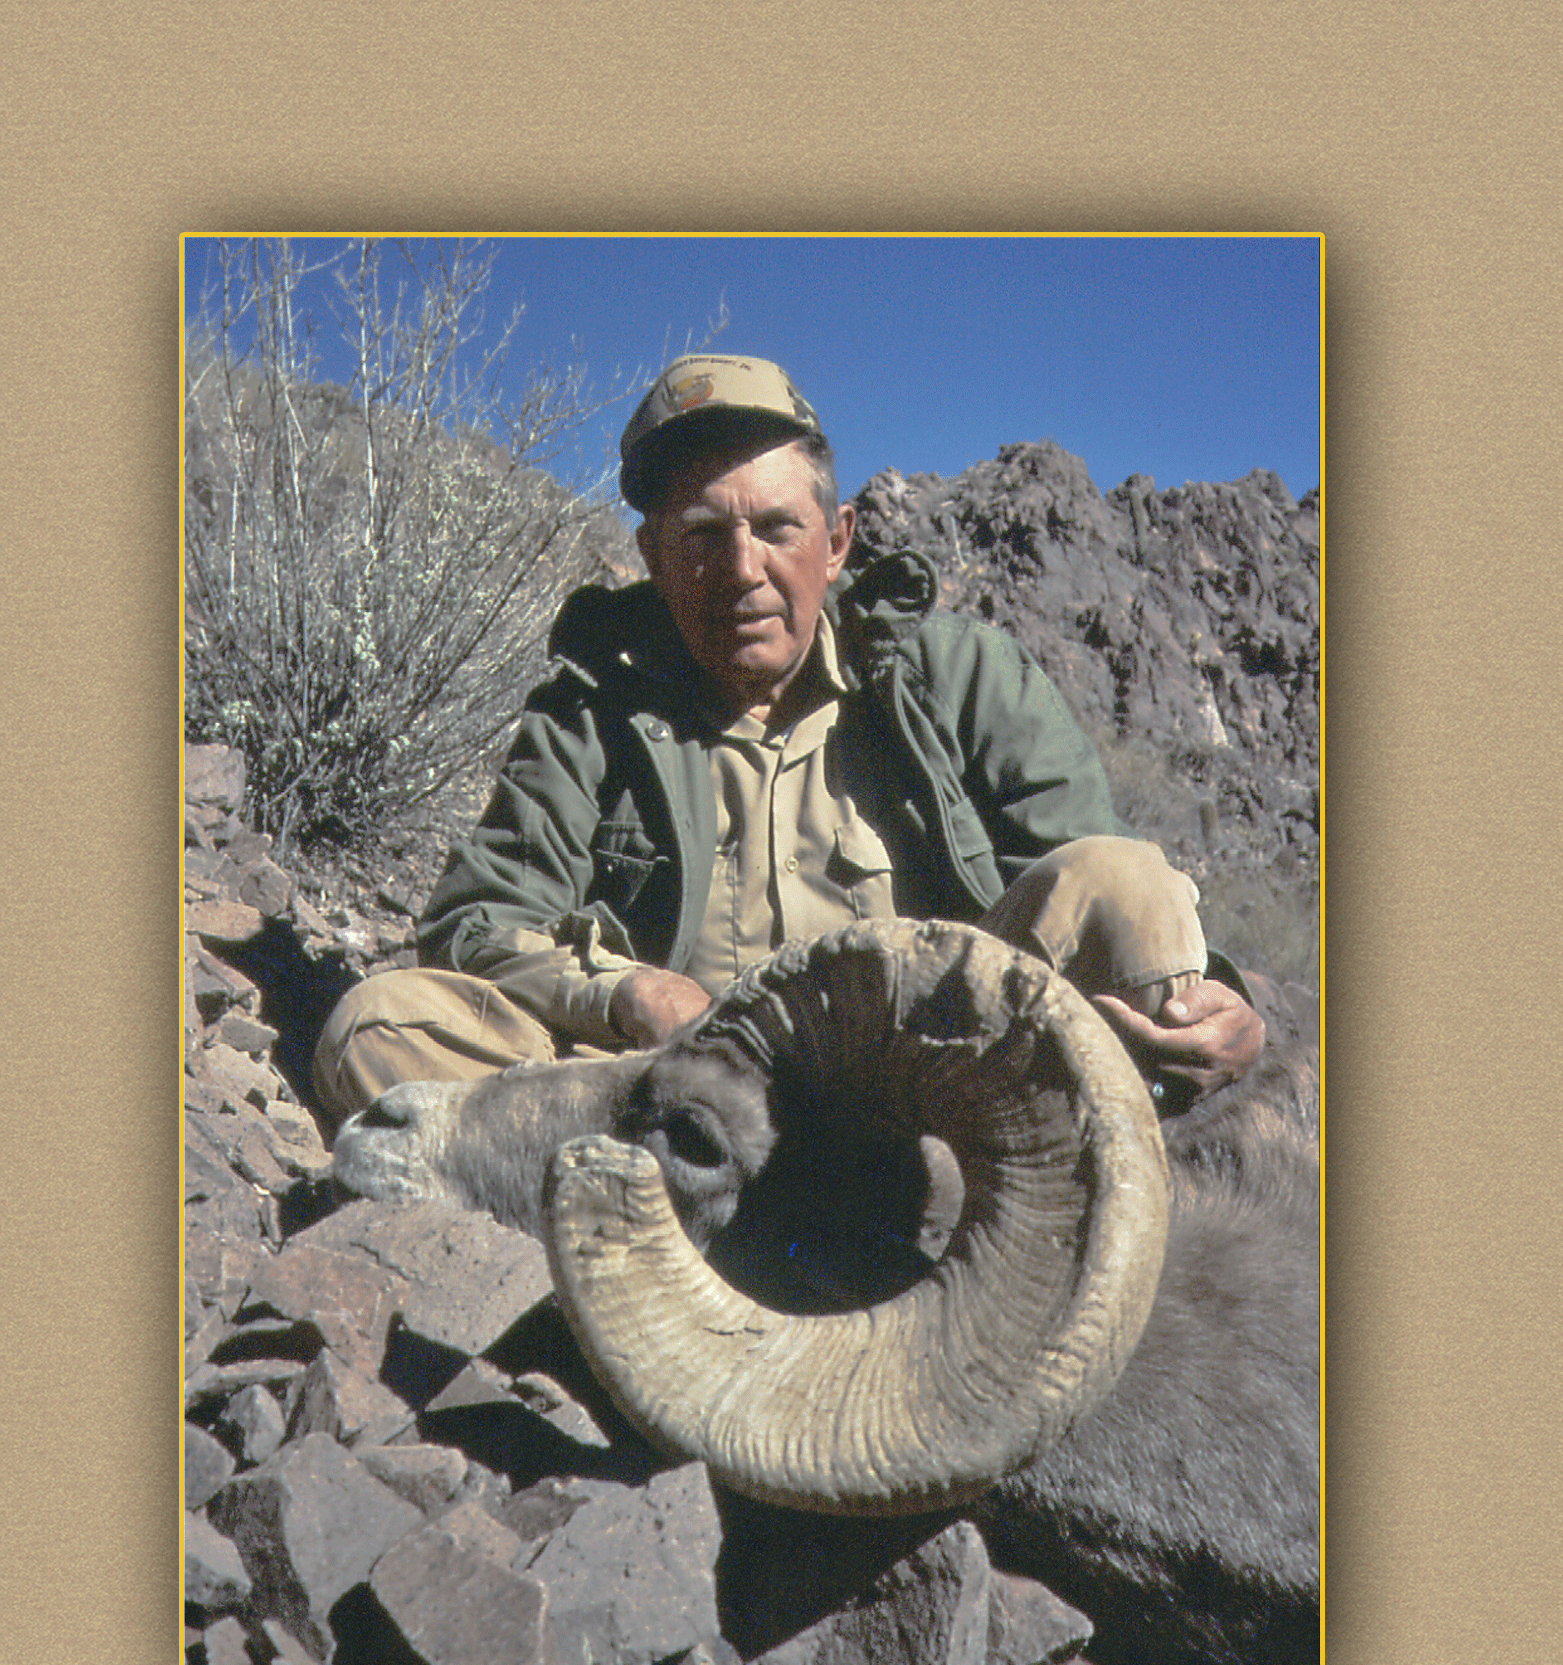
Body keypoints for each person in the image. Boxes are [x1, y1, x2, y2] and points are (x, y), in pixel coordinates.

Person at [314, 353, 1264, 1124]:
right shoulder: (593, 707)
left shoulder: (961, 675)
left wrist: (1210, 996)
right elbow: (474, 925)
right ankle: (667, 1247)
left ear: (839, 540)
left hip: (938, 1092)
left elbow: (1100, 906)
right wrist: (624, 992)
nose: (741, 571)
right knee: (378, 1027)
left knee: (1127, 874)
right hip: (685, 1104)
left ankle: (1084, 1229)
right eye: (699, 536)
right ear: (649, 556)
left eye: (777, 528)